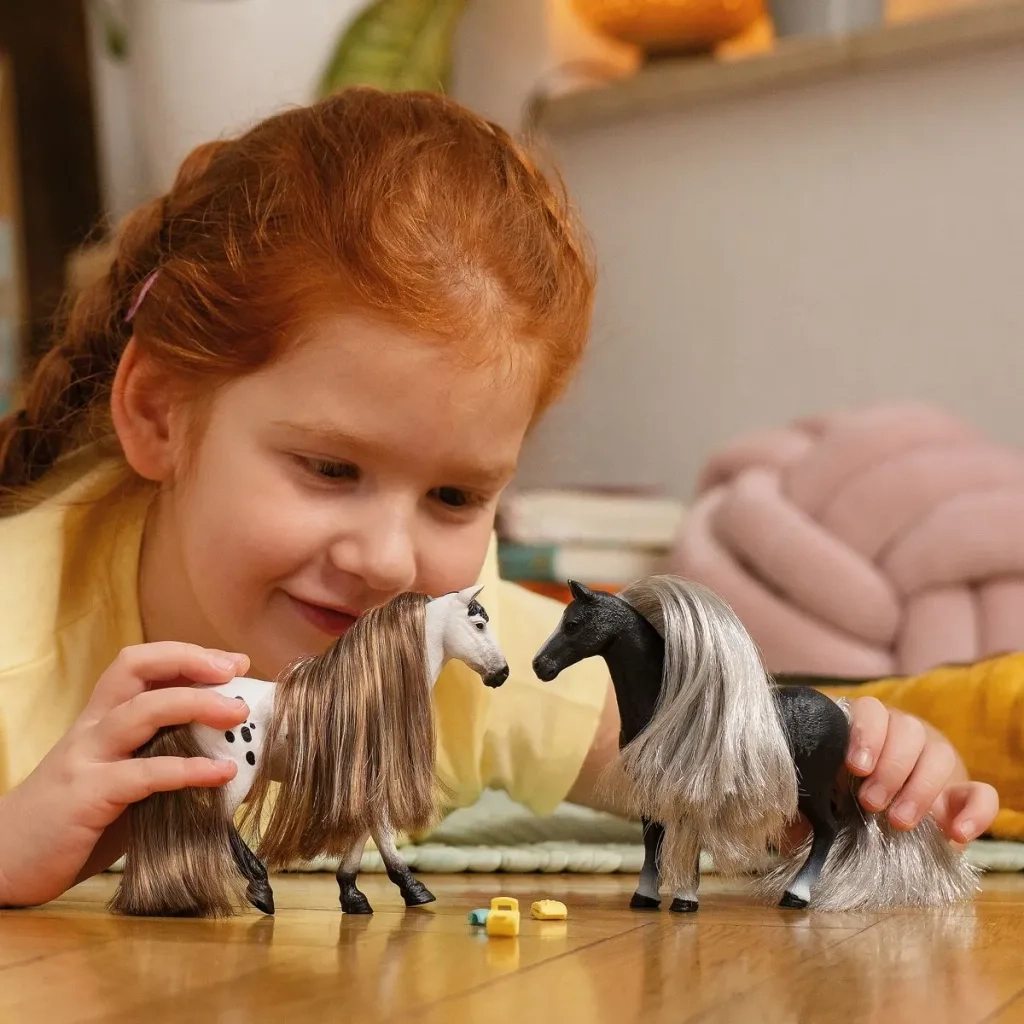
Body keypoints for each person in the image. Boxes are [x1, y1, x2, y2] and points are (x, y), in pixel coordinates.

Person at [0, 88, 996, 909]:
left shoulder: (462, 649)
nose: (387, 560)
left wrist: (876, 782)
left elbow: (735, 785)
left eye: (452, 494)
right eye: (330, 470)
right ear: (159, 414)